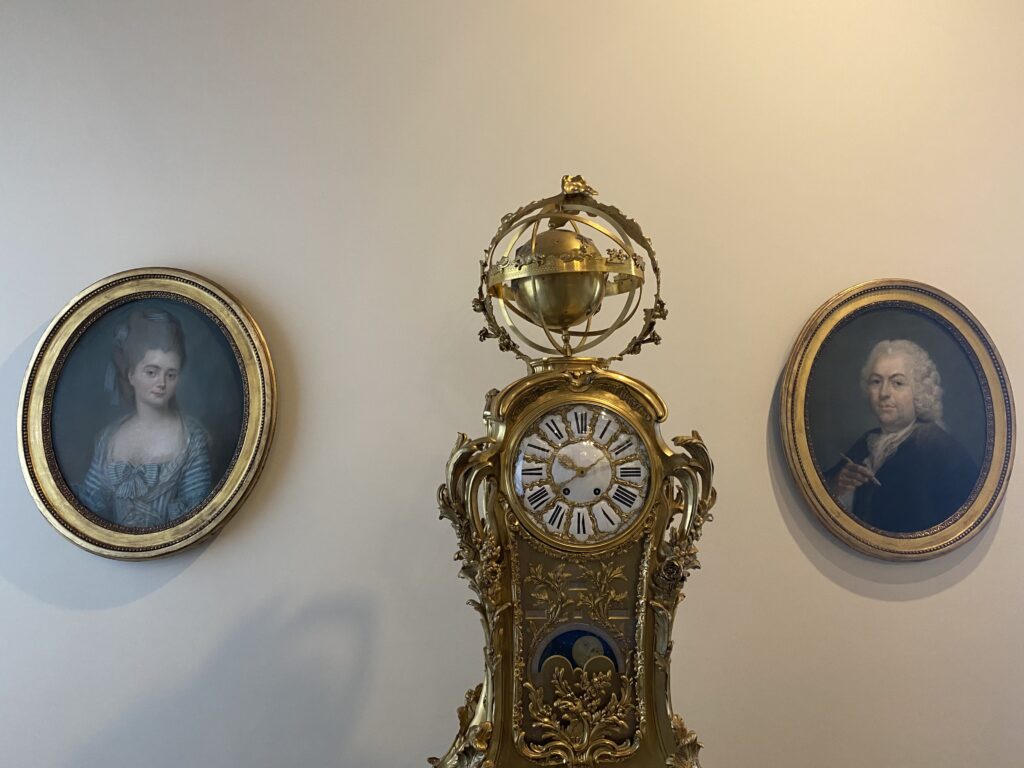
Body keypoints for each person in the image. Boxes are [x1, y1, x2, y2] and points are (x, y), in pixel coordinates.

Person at [77, 307, 212, 528]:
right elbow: (91, 509)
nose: (161, 383)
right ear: (131, 375)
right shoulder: (108, 438)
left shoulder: (192, 438)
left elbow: (196, 516)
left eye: (171, 374)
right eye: (151, 372)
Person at [825, 339, 978, 533]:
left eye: (897, 383)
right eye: (876, 381)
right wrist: (839, 485)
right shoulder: (867, 441)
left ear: (919, 391)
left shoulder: (939, 448)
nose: (884, 393)